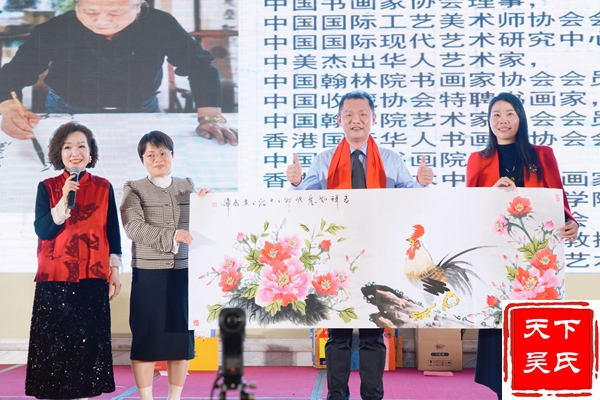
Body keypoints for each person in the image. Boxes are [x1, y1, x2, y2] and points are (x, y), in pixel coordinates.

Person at [286, 90, 434, 400]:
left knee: (373, 335)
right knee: (337, 335)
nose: (356, 120)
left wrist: (421, 184)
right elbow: (305, 200)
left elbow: (411, 198)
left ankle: (372, 396)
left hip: (377, 256)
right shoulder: (324, 160)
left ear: (373, 118)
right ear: (339, 119)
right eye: (349, 115)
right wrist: (297, 183)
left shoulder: (391, 160)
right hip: (336, 259)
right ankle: (336, 395)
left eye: (363, 114)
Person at [466, 92, 578, 400]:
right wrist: (492, 193)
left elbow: (558, 199)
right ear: (489, 122)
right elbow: (469, 208)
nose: (502, 120)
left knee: (534, 326)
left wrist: (572, 223)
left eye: (509, 114)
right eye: (496, 115)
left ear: (520, 118)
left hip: (536, 259)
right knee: (499, 327)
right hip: (495, 259)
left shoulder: (542, 155)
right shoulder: (478, 159)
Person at [0, 0, 237, 145]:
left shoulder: (160, 24)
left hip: (140, 110)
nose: (102, 21)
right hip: (67, 109)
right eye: (91, 12)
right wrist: (9, 109)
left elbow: (200, 67)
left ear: (138, 5)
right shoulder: (56, 28)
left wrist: (210, 117)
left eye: (115, 14)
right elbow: (13, 73)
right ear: (77, 5)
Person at [26, 121, 122, 399]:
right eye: (68, 147)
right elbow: (43, 230)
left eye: (81, 146)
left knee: (86, 345)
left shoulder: (104, 187)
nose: (75, 152)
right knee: (55, 346)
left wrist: (115, 271)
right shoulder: (47, 187)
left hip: (92, 275)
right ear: (60, 153)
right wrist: (64, 198)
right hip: (54, 277)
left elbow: (112, 232)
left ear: (90, 153)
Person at [120, 130, 211, 400]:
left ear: (172, 155)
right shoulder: (133, 188)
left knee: (181, 339)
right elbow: (133, 227)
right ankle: (146, 398)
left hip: (183, 272)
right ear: (142, 160)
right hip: (148, 272)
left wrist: (208, 202)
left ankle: (175, 397)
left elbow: (202, 222)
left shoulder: (187, 185)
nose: (157, 159)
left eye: (163, 153)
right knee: (145, 339)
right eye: (150, 155)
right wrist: (171, 236)